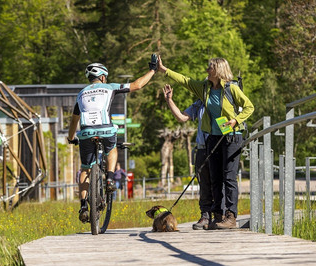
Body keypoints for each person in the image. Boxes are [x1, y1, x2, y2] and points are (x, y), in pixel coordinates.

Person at [158, 55, 254, 230]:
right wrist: (164, 70)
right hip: (214, 137)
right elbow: (185, 80)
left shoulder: (231, 89)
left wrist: (235, 121)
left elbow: (249, 107)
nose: (207, 70)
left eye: (210, 67)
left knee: (229, 177)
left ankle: (231, 216)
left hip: (231, 136)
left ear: (218, 70)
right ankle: (217, 217)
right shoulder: (204, 88)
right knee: (215, 178)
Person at [68, 57, 157, 223]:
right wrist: (152, 70)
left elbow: (74, 121)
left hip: (86, 133)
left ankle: (82, 206)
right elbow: (137, 85)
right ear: (102, 77)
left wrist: (70, 138)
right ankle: (109, 179)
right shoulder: (110, 87)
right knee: (112, 148)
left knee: (85, 169)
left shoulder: (81, 94)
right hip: (106, 129)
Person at [162, 84, 212, 230]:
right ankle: (205, 215)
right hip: (202, 148)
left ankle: (219, 216)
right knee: (204, 184)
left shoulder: (224, 99)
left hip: (218, 147)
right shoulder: (200, 102)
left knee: (219, 183)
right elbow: (182, 117)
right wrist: (169, 100)